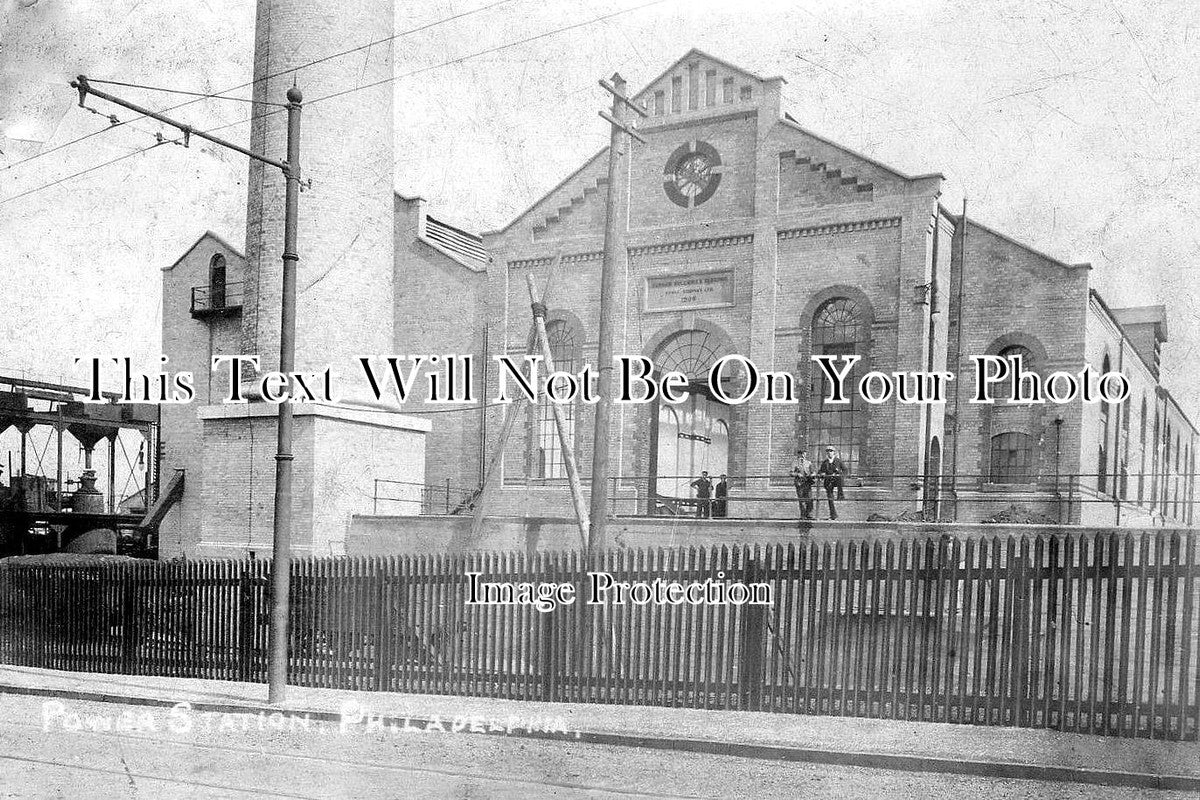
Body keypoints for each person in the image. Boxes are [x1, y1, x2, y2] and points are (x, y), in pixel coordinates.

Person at [817, 447, 845, 520]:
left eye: (831, 451)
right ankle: (833, 515)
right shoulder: (825, 462)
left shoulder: (838, 461)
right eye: (828, 451)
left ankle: (840, 494)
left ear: (834, 452)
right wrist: (822, 474)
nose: (829, 453)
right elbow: (820, 471)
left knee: (839, 480)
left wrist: (839, 474)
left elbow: (845, 470)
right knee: (830, 498)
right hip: (829, 482)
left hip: (837, 481)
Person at [789, 448, 815, 519]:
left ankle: (809, 514)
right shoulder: (794, 463)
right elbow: (791, 473)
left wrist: (812, 475)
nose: (803, 455)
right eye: (801, 453)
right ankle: (803, 515)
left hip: (807, 483)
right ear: (798, 454)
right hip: (799, 484)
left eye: (804, 453)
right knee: (801, 499)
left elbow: (813, 472)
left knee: (809, 499)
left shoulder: (808, 463)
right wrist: (797, 474)